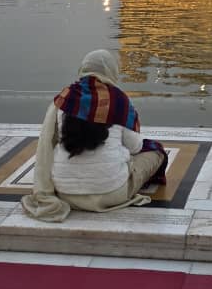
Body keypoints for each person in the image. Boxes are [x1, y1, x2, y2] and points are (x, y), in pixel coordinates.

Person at [22, 49, 167, 222]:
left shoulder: (64, 99)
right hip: (111, 193)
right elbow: (135, 146)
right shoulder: (118, 100)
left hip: (66, 193)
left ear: (83, 69)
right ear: (112, 71)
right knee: (155, 152)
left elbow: (46, 145)